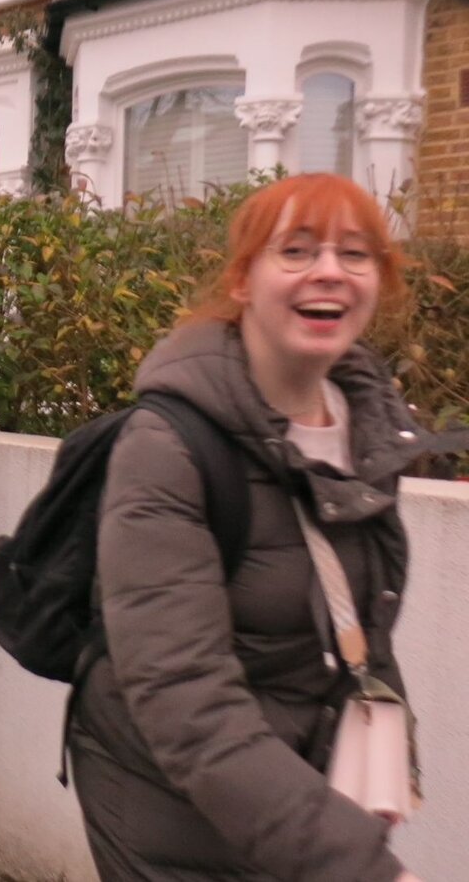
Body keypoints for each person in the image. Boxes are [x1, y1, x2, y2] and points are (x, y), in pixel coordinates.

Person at [68, 174, 426, 882]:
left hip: (297, 792)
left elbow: (363, 624)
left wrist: (388, 754)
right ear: (242, 281)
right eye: (294, 250)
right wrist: (359, 863)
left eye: (356, 255)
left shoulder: (370, 429)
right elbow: (185, 700)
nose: (329, 269)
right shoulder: (166, 443)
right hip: (163, 801)